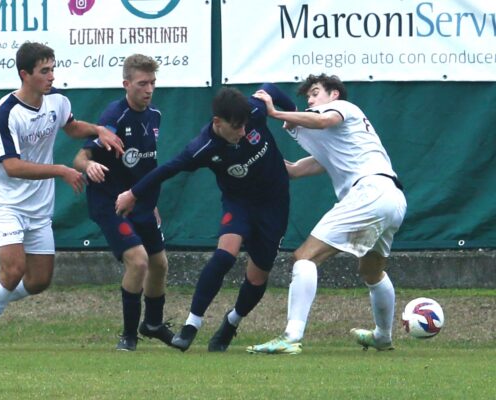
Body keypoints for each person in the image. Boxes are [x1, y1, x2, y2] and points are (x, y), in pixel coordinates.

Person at [0, 41, 123, 352]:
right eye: (44, 71)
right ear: (25, 75)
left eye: (52, 69)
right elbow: (11, 166)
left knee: (39, 281)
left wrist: (98, 130)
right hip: (4, 202)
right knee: (12, 270)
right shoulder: (6, 112)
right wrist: (61, 170)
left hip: (38, 207)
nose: (51, 76)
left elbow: (71, 126)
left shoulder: (57, 102)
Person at [116, 85, 296, 352]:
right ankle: (191, 325)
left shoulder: (254, 110)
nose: (243, 132)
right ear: (217, 122)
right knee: (225, 255)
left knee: (257, 278)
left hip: (274, 205)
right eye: (236, 127)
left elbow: (271, 89)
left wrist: (293, 117)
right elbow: (168, 169)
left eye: (245, 125)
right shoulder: (203, 147)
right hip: (240, 204)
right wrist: (133, 193)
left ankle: (231, 323)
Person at [246, 73, 407, 355]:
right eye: (307, 96)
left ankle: (291, 336)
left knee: (304, 257)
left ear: (334, 95)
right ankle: (382, 336)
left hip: (370, 192)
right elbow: (295, 170)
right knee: (372, 271)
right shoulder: (341, 144)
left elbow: (322, 120)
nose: (310, 100)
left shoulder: (345, 108)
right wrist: (253, 155)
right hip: (391, 199)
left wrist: (273, 111)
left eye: (316, 93)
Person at [72, 54, 175, 351]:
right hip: (110, 203)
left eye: (153, 83)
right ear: (126, 84)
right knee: (138, 260)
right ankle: (129, 336)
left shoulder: (155, 115)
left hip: (140, 203)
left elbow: (145, 166)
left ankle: (153, 324)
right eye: (143, 83)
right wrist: (87, 167)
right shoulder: (113, 116)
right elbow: (82, 156)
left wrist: (149, 201)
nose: (149, 89)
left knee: (159, 265)